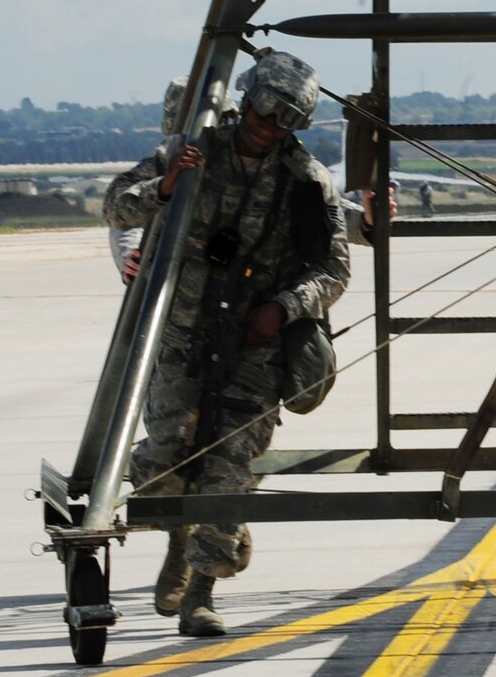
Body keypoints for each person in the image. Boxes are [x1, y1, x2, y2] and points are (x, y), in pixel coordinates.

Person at [104, 52, 350, 638]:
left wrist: (283, 307)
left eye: (288, 120)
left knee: (230, 468)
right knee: (167, 458)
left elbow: (334, 269)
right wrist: (167, 186)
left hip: (254, 346)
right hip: (183, 332)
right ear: (246, 101)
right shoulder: (193, 153)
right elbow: (117, 205)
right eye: (266, 112)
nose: (271, 127)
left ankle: (202, 595)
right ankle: (178, 541)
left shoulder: (306, 180)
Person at [113, 76, 389, 285]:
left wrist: (365, 221)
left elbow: (320, 212)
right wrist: (131, 255)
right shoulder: (170, 163)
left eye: (223, 124)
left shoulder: (268, 165)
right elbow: (126, 215)